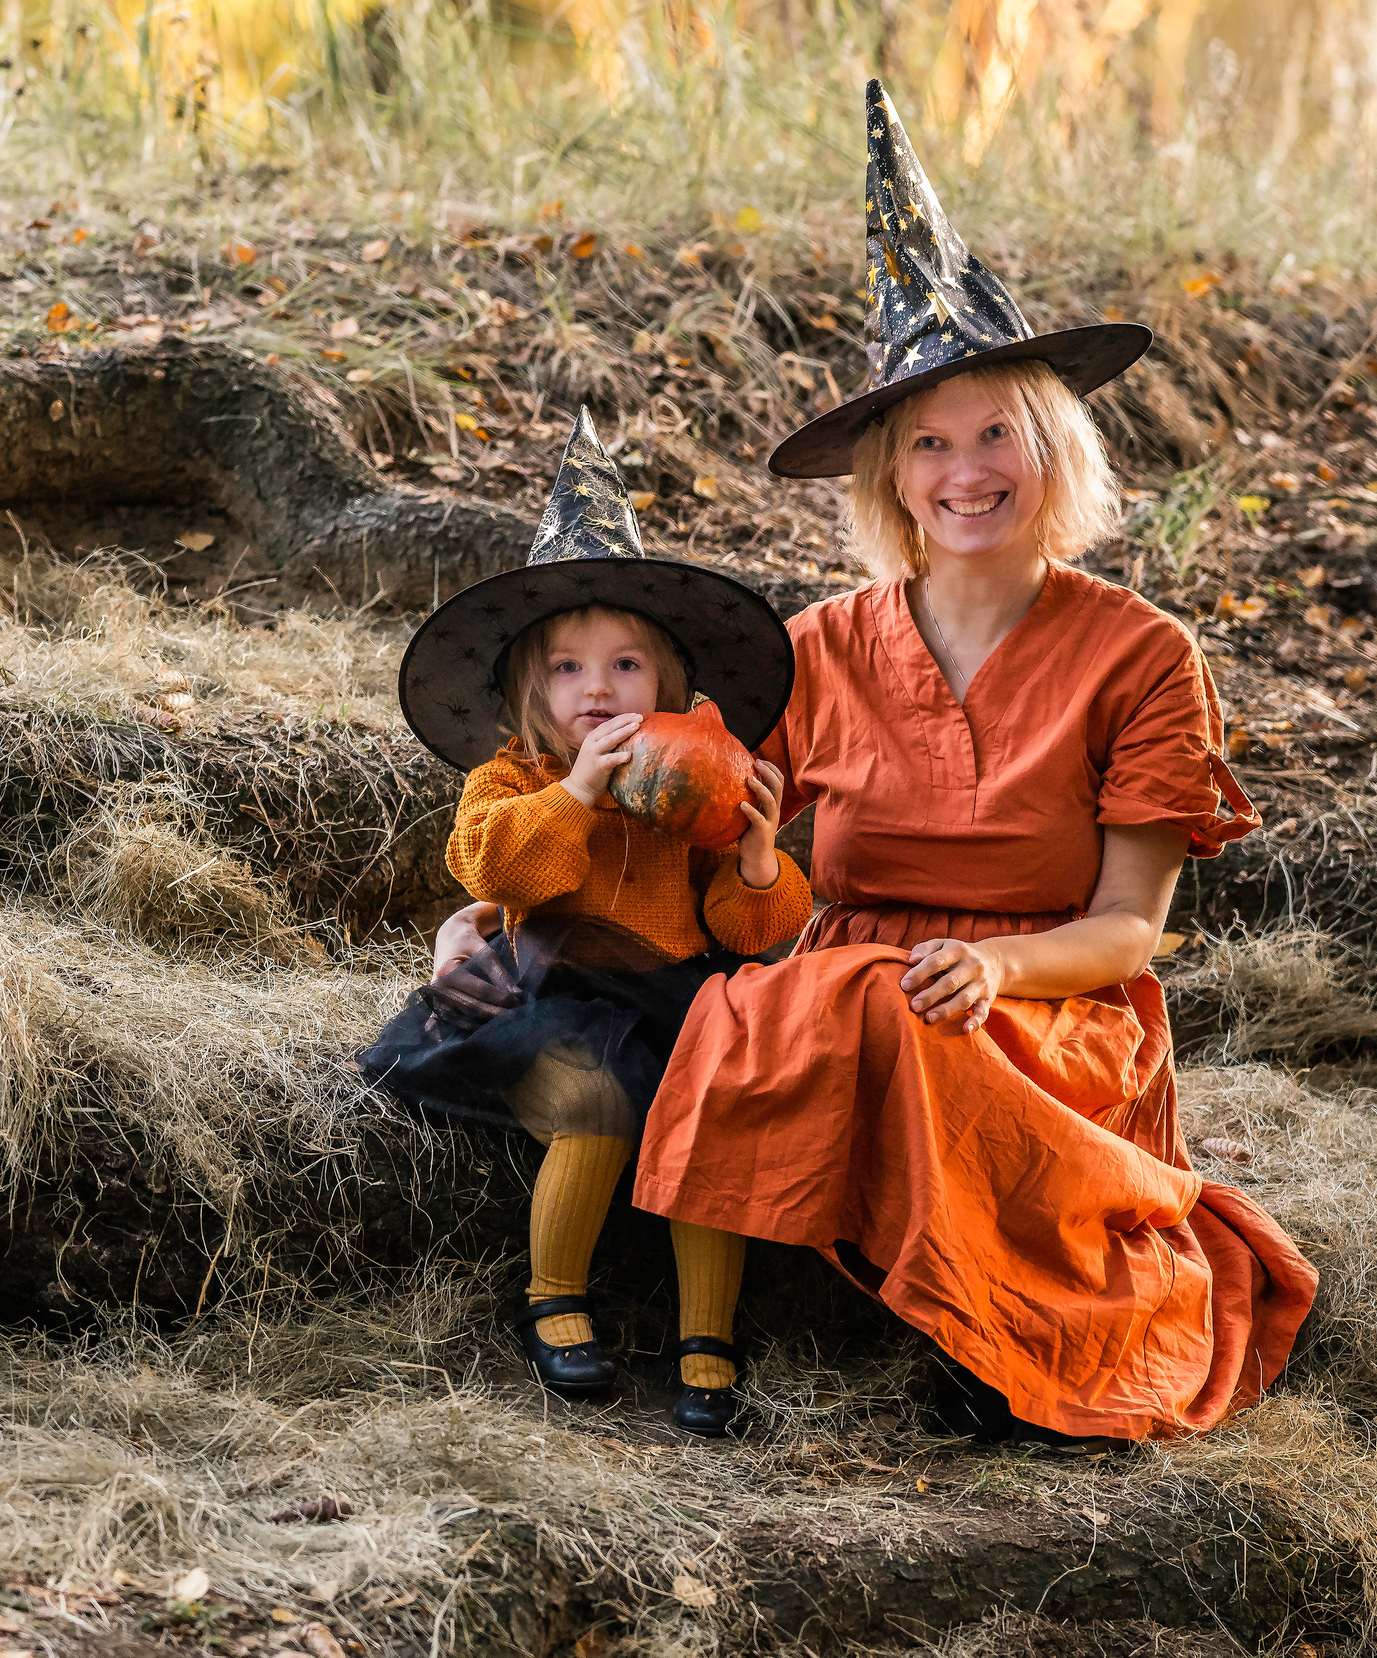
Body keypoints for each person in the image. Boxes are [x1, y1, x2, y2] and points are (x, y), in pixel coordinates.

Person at [627, 82, 1319, 1444]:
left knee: (921, 1013)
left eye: (995, 431)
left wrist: (997, 964)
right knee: (822, 1002)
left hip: (1052, 1003)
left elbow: (1128, 928)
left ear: (1050, 446)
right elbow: (695, 812)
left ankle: (1006, 1335)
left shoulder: (1143, 654)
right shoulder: (816, 648)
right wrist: (512, 893)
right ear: (889, 480)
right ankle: (793, 1327)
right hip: (856, 982)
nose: (964, 470)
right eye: (927, 444)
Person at [365, 410, 810, 1435]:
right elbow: (489, 861)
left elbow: (747, 931)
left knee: (714, 1122)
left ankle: (709, 1337)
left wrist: (753, 856)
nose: (596, 688)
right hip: (549, 991)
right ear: (528, 694)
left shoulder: (692, 790)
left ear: (672, 691)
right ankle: (553, 1295)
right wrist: (573, 793)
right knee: (594, 1105)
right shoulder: (511, 778)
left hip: (675, 997)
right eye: (566, 669)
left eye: (625, 666)